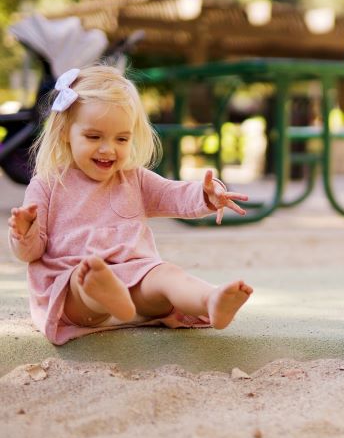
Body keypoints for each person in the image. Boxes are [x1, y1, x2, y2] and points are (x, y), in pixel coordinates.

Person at [7, 65, 253, 345]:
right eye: (94, 137)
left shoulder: (134, 178)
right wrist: (24, 232)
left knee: (166, 273)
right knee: (84, 278)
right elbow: (31, 252)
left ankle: (210, 299)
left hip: (137, 285)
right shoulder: (47, 184)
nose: (108, 148)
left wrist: (208, 195)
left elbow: (174, 195)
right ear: (65, 132)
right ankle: (105, 295)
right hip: (77, 293)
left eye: (121, 139)